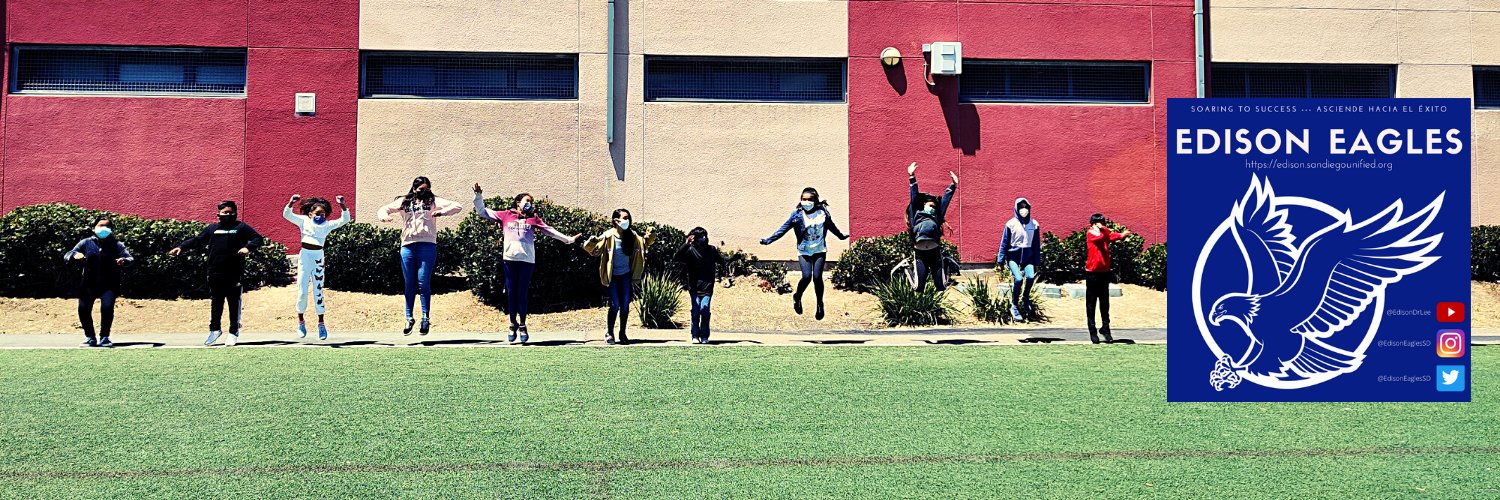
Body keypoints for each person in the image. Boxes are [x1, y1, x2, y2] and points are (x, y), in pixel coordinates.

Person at [472, 183, 580, 344]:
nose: (529, 203)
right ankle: (511, 324)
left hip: (527, 261)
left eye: (531, 201)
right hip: (510, 260)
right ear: (518, 202)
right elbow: (483, 212)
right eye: (527, 201)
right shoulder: (506, 215)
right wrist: (478, 196)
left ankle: (522, 324)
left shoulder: (533, 218)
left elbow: (549, 230)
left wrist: (569, 240)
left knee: (522, 294)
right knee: (511, 293)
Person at [170, 201, 264, 346]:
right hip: (215, 271)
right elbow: (197, 240)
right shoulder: (212, 229)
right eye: (225, 212)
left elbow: (258, 239)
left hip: (234, 272)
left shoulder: (241, 227)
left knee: (233, 302)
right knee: (216, 302)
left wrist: (248, 248)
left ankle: (233, 332)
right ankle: (215, 330)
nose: (228, 215)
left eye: (231, 212)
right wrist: (181, 247)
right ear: (218, 214)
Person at [379, 176, 464, 336]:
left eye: (427, 189)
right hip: (408, 246)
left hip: (427, 244)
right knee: (409, 283)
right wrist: (384, 216)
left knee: (423, 282)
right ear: (414, 189)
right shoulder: (405, 201)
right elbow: (384, 209)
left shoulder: (433, 201)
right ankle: (409, 317)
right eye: (421, 190)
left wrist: (441, 212)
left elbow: (457, 206)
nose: (424, 192)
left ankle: (425, 317)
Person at [760, 187, 848, 320]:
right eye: (804, 199)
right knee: (807, 277)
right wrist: (768, 240)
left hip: (819, 250)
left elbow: (831, 226)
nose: (806, 202)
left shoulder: (822, 213)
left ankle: (820, 304)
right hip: (804, 251)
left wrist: (841, 236)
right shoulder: (797, 215)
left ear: (816, 200)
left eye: (809, 200)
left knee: (817, 278)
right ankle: (797, 297)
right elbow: (782, 229)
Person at [283, 194, 350, 341]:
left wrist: (342, 205)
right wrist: (291, 203)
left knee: (318, 290)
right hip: (305, 257)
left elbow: (345, 219)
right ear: (310, 213)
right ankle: (300, 320)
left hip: (318, 257)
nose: (321, 216)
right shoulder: (304, 221)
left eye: (323, 214)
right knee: (302, 289)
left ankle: (321, 323)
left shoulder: (327, 225)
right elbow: (287, 215)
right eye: (318, 213)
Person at [583, 209, 654, 345]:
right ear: (616, 221)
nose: (627, 221)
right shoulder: (608, 236)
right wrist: (591, 242)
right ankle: (609, 332)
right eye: (624, 218)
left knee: (625, 306)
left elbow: (645, 244)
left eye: (628, 218)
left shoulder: (632, 236)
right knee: (615, 305)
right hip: (612, 276)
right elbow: (593, 251)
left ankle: (622, 333)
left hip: (626, 275)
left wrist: (650, 236)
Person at [65, 216, 134, 348]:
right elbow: (69, 253)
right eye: (100, 226)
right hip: (88, 283)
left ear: (111, 230)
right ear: (94, 228)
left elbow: (129, 257)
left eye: (107, 226)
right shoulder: (85, 243)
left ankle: (105, 337)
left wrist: (123, 261)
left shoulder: (116, 244)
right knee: (83, 309)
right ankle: (90, 337)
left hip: (109, 284)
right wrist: (74, 255)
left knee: (107, 308)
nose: (104, 229)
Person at [906, 162, 958, 292]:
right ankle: (907, 269)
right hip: (920, 253)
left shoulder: (937, 217)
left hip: (934, 252)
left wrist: (954, 185)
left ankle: (945, 262)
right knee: (918, 288)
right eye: (930, 206)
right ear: (923, 205)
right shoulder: (916, 215)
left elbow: (945, 200)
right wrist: (911, 176)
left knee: (941, 287)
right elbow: (914, 195)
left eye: (934, 207)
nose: (932, 208)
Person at [674, 227, 725, 344]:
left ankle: (705, 335)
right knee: (696, 310)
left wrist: (734, 258)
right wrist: (686, 244)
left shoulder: (711, 250)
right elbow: (676, 257)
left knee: (705, 309)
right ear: (695, 239)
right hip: (694, 286)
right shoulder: (690, 250)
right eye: (701, 236)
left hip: (707, 286)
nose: (704, 238)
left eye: (705, 235)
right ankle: (695, 335)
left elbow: (722, 260)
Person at [1085, 213, 1130, 344]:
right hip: (1092, 273)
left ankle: (1106, 328)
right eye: (1098, 223)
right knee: (1091, 303)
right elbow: (1104, 236)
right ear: (1092, 224)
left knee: (1105, 303)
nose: (1100, 225)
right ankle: (1092, 331)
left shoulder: (1104, 234)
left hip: (1104, 273)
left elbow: (1110, 236)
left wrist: (1121, 236)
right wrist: (1107, 230)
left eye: (1102, 223)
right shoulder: (1091, 234)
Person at [999, 198, 1043, 322]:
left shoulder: (1034, 224)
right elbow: (1004, 243)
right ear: (1017, 209)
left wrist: (1036, 262)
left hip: (1028, 257)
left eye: (1026, 207)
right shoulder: (1011, 224)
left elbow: (1035, 244)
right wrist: (1001, 261)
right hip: (1014, 257)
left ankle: (1025, 298)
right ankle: (1014, 305)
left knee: (1030, 277)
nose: (1024, 210)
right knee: (1018, 278)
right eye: (1021, 207)